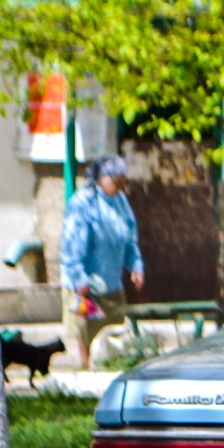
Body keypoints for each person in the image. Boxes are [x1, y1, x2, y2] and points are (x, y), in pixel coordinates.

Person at [60, 155, 145, 368]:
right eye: (115, 180)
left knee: (113, 336)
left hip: (111, 283)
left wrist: (135, 264)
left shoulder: (120, 201)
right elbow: (72, 246)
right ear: (99, 178)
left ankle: (108, 369)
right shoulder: (83, 202)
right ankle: (86, 368)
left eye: (123, 181)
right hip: (86, 287)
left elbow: (129, 236)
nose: (120, 186)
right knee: (87, 335)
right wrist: (79, 278)